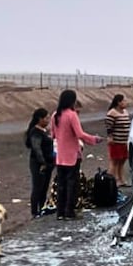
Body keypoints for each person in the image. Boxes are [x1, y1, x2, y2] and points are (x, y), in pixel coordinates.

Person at [51, 90, 102, 220]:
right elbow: (80, 134)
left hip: (60, 156)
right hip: (73, 155)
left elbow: (53, 135)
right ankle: (69, 211)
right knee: (72, 185)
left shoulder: (55, 115)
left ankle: (60, 212)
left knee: (61, 185)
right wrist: (94, 139)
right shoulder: (72, 115)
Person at [25, 108, 54, 218]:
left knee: (44, 187)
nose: (48, 120)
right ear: (39, 119)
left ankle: (42, 208)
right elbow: (37, 148)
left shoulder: (44, 131)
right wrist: (43, 162)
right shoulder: (35, 132)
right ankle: (34, 211)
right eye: (46, 118)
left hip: (47, 163)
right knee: (37, 187)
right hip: (39, 164)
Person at [104, 94, 132, 186]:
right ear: (118, 102)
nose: (126, 103)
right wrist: (110, 137)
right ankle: (112, 180)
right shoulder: (112, 113)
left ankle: (121, 179)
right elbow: (109, 127)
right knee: (114, 161)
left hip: (124, 140)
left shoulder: (125, 112)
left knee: (122, 161)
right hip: (116, 141)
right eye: (124, 101)